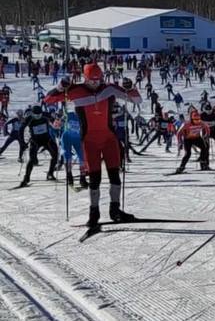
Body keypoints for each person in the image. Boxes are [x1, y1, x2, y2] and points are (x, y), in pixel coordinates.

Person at [43, 63, 142, 227]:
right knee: (94, 179)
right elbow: (48, 100)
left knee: (114, 175)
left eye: (98, 79)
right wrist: (61, 87)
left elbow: (136, 100)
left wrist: (130, 88)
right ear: (85, 78)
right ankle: (94, 213)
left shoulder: (109, 88)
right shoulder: (75, 91)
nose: (95, 83)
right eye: (91, 80)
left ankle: (115, 210)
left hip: (109, 139)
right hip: (89, 141)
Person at [17, 105, 59, 187]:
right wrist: (22, 143)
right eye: (36, 115)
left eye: (39, 115)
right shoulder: (29, 118)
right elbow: (21, 130)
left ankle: (50, 173)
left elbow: (55, 120)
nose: (38, 117)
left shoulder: (45, 115)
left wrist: (57, 122)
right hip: (35, 141)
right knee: (32, 160)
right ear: (32, 114)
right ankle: (26, 178)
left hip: (47, 139)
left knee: (55, 155)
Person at [174, 108, 210, 173]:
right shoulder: (186, 124)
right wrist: (179, 142)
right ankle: (181, 167)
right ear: (192, 119)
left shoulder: (201, 122)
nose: (197, 121)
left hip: (197, 138)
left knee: (205, 148)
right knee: (188, 153)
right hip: (188, 139)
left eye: (198, 119)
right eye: (195, 120)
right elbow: (178, 133)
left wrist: (207, 135)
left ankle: (203, 164)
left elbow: (207, 128)